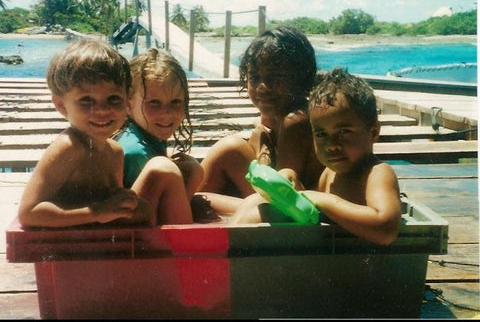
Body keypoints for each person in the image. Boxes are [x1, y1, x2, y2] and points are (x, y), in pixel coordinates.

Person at [233, 68, 402, 246]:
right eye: (321, 134)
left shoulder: (377, 173)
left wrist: (321, 199)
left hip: (361, 263)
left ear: (373, 132)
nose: (332, 145)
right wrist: (293, 185)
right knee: (254, 202)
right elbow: (310, 209)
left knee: (255, 213)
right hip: (329, 253)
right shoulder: (329, 173)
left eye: (344, 131)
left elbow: (385, 230)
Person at [18, 39, 154, 228]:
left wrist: (127, 202)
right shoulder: (68, 148)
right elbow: (29, 213)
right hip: (61, 250)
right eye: (86, 100)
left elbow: (111, 208)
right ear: (61, 105)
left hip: (92, 245)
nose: (102, 110)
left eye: (113, 98)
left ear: (127, 102)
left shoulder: (115, 152)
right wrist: (96, 212)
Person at [195, 26, 325, 217]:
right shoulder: (280, 118)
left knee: (227, 154)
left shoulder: (296, 121)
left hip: (295, 215)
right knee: (231, 150)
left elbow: (281, 193)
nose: (262, 87)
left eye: (275, 77)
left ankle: (191, 202)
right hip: (288, 208)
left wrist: (261, 141)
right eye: (254, 77)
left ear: (301, 78)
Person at [113, 48, 202, 224]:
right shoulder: (136, 153)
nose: (167, 114)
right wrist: (195, 176)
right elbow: (158, 222)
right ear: (128, 105)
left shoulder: (142, 136)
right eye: (154, 103)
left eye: (176, 102)